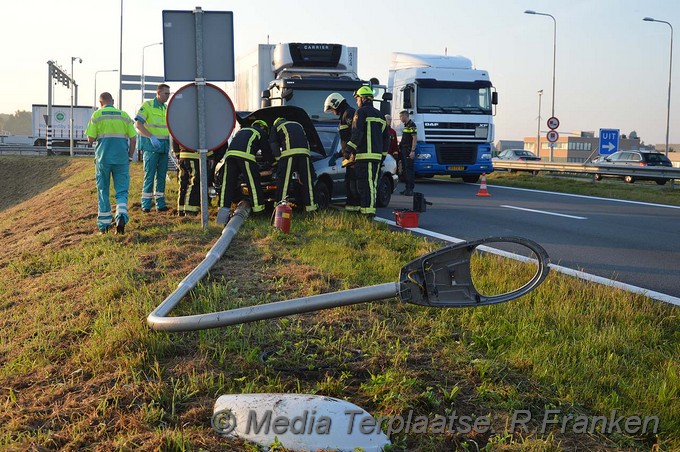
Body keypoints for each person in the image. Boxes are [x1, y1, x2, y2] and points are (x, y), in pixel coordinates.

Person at [85, 92, 136, 234]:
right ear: (113, 101)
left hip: (103, 159)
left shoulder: (97, 115)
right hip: (121, 159)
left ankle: (105, 226)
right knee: (121, 191)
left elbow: (90, 139)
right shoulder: (124, 116)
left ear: (100, 103)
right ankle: (121, 216)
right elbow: (133, 139)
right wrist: (130, 156)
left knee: (103, 191)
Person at [346, 86, 389, 216]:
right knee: (370, 184)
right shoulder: (381, 115)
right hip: (376, 157)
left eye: (357, 98)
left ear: (363, 98)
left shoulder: (360, 112)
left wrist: (348, 150)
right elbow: (386, 139)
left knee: (366, 185)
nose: (356, 101)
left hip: (364, 156)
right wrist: (382, 156)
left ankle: (368, 212)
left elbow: (357, 133)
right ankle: (365, 210)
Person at [218, 120, 272, 214]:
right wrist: (273, 162)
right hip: (246, 156)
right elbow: (266, 151)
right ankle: (258, 210)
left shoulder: (242, 131)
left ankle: (222, 210)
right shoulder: (260, 132)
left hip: (230, 156)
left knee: (227, 184)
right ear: (263, 127)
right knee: (253, 183)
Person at [135, 83, 171, 213]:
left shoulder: (166, 108)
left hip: (164, 147)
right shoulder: (147, 106)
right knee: (149, 175)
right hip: (151, 147)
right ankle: (146, 205)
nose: (168, 96)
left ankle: (160, 204)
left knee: (161, 176)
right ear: (158, 93)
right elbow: (138, 124)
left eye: (169, 93)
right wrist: (151, 137)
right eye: (166, 93)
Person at [269, 117, 318, 212]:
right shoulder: (298, 124)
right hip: (305, 154)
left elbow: (273, 143)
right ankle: (312, 209)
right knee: (307, 182)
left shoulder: (276, 126)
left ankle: (280, 209)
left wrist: (278, 159)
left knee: (284, 182)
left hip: (289, 154)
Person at [324, 92, 359, 211]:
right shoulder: (344, 115)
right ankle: (351, 208)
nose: (332, 111)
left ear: (336, 104)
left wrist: (349, 152)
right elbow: (346, 140)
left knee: (353, 184)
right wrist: (339, 154)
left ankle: (354, 209)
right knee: (349, 183)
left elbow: (354, 135)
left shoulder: (349, 114)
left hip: (353, 156)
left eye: (331, 108)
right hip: (348, 156)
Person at [172, 140, 215, 216]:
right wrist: (211, 156)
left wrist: (177, 153)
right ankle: (190, 210)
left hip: (183, 155)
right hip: (194, 156)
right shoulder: (199, 127)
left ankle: (181, 210)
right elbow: (205, 138)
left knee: (183, 183)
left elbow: (175, 137)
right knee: (194, 182)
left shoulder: (181, 127)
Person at [398, 110, 417, 196]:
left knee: (409, 170)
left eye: (401, 117)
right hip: (403, 149)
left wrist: (412, 151)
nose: (400, 118)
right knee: (405, 170)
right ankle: (406, 188)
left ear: (405, 116)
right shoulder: (406, 125)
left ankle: (410, 189)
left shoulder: (412, 125)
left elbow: (414, 138)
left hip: (408, 150)